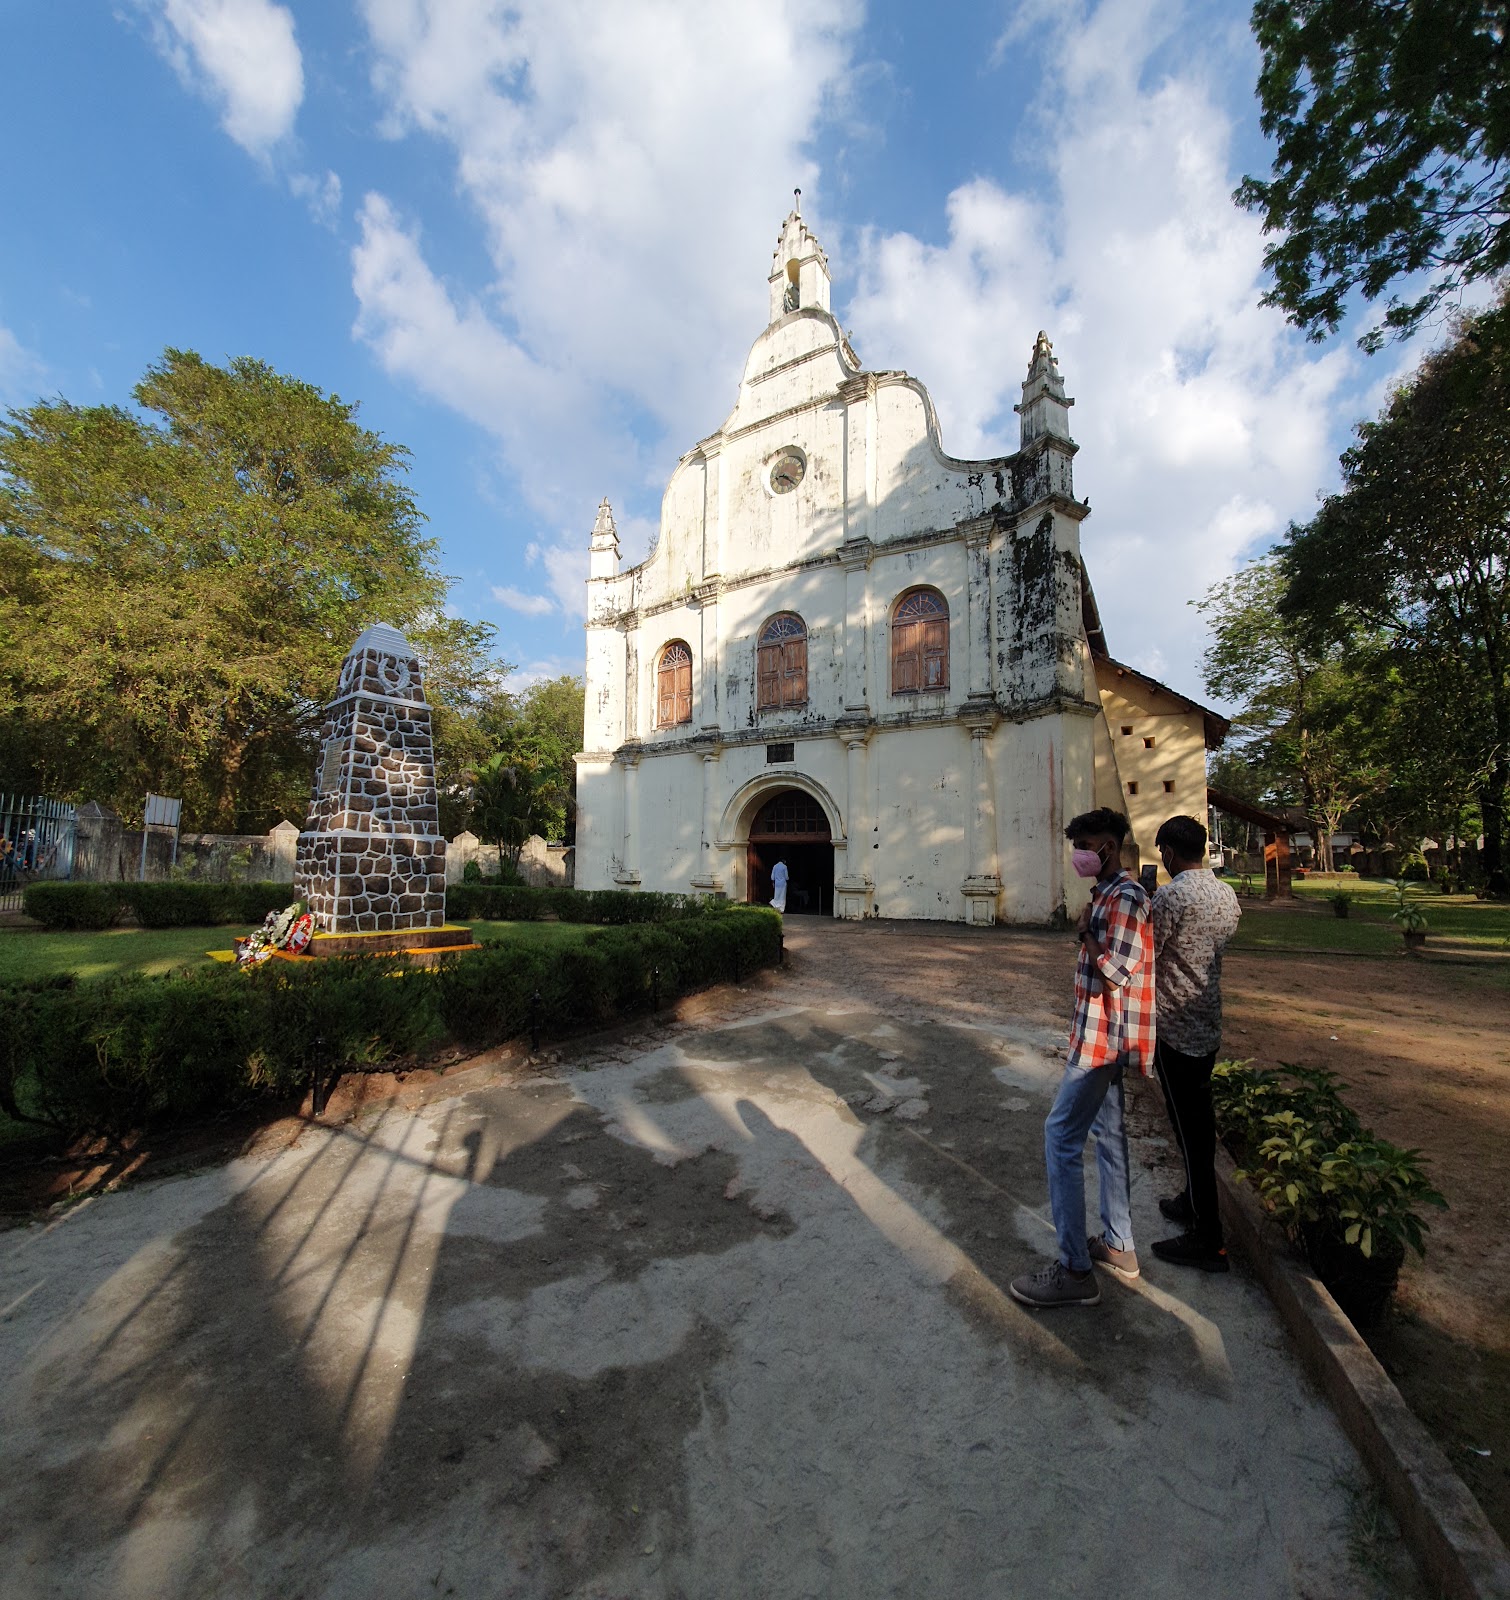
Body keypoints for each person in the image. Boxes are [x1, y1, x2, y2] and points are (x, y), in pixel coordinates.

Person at [1010, 808, 1155, 1310]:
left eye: (1085, 845)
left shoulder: (1126, 898)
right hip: (1100, 1034)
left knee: (1060, 1136)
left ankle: (1074, 1269)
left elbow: (1117, 973)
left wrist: (1086, 936)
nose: (1078, 855)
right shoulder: (1106, 894)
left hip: (1103, 1041)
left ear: (1108, 847)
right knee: (1108, 1137)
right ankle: (1118, 1244)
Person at [1149, 814, 1242, 1271]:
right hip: (1206, 1022)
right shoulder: (1226, 893)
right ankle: (1191, 1200)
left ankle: (1209, 1240)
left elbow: (1147, 951)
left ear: (1168, 852)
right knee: (1195, 1123)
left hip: (1175, 1026)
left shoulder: (1171, 896)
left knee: (1191, 1132)